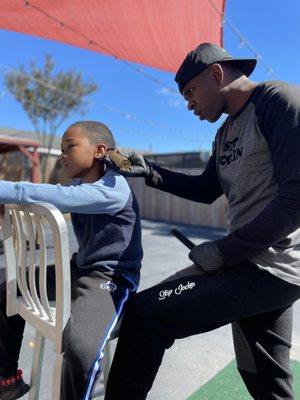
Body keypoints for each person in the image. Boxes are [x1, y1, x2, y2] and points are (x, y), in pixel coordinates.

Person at [103, 43, 300, 400]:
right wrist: (149, 172)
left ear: (216, 73)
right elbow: (206, 189)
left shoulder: (278, 100)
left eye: (189, 91)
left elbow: (297, 197)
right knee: (263, 376)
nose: (188, 104)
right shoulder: (224, 133)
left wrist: (225, 251)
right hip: (250, 263)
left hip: (270, 267)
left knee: (147, 315)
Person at [0, 120, 143, 400]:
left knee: (80, 349)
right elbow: (53, 199)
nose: (62, 154)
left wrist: (11, 194)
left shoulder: (113, 188)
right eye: (61, 149)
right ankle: (7, 380)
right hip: (79, 267)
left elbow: (34, 193)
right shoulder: (81, 186)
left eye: (70, 147)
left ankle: (85, 386)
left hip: (109, 278)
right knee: (5, 286)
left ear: (100, 150)